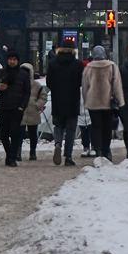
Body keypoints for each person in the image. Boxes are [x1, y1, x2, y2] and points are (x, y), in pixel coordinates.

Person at [44, 38, 84, 166]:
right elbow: (80, 82)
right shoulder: (78, 64)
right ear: (73, 50)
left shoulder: (53, 63)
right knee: (71, 130)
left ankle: (57, 144)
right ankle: (68, 156)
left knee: (58, 126)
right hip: (72, 100)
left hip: (57, 99)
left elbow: (48, 82)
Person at [82, 45, 124, 161]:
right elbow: (117, 85)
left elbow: (85, 87)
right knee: (107, 127)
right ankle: (106, 149)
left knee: (95, 127)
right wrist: (120, 101)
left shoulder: (88, 68)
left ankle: (98, 150)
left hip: (93, 102)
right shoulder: (112, 66)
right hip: (108, 102)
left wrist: (86, 100)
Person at [0, 51, 31, 167]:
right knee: (3, 134)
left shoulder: (23, 74)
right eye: (10, 59)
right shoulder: (0, 73)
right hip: (4, 107)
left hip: (17, 108)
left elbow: (27, 92)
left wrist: (22, 106)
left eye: (14, 59)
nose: (12, 61)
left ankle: (12, 157)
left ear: (18, 61)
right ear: (7, 60)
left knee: (15, 134)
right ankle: (10, 155)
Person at [20, 60, 47, 161]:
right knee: (19, 134)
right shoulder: (18, 83)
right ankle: (18, 152)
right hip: (21, 111)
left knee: (33, 134)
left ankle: (33, 152)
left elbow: (43, 96)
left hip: (33, 112)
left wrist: (37, 105)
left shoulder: (36, 85)